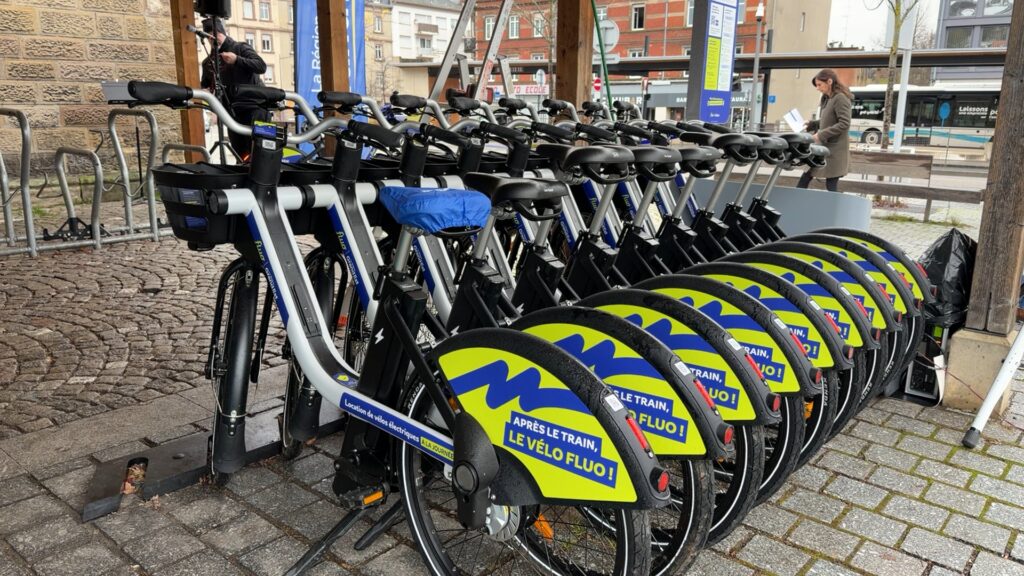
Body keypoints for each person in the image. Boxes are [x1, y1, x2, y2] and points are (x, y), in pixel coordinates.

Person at [200, 18, 268, 159]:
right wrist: (206, 91)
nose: (213, 39)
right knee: (241, 155)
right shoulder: (208, 62)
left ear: (223, 33)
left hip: (255, 108)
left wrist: (237, 59)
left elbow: (261, 66)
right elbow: (206, 85)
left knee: (260, 154)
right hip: (232, 113)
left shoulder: (240, 48)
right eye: (209, 37)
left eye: (216, 35)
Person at [797, 69, 851, 193]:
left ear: (830, 81)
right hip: (825, 147)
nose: (817, 88)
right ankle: (797, 202)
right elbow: (828, 120)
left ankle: (836, 209)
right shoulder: (828, 98)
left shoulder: (840, 98)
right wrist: (812, 124)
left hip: (834, 150)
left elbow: (844, 124)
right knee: (807, 175)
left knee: (830, 184)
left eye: (819, 84)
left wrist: (821, 135)